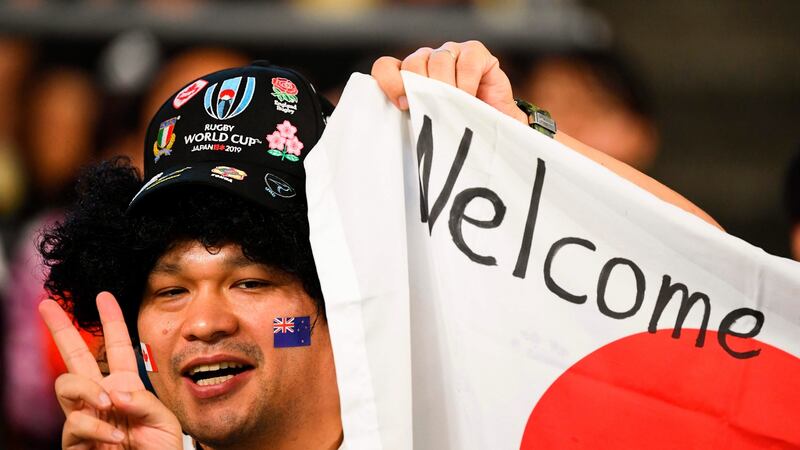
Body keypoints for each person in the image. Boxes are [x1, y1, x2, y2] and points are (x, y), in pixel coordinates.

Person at [37, 41, 721, 450]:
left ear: (339, 290)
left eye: (251, 281)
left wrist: (519, 137)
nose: (204, 322)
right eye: (170, 290)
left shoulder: (463, 424)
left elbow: (719, 294)